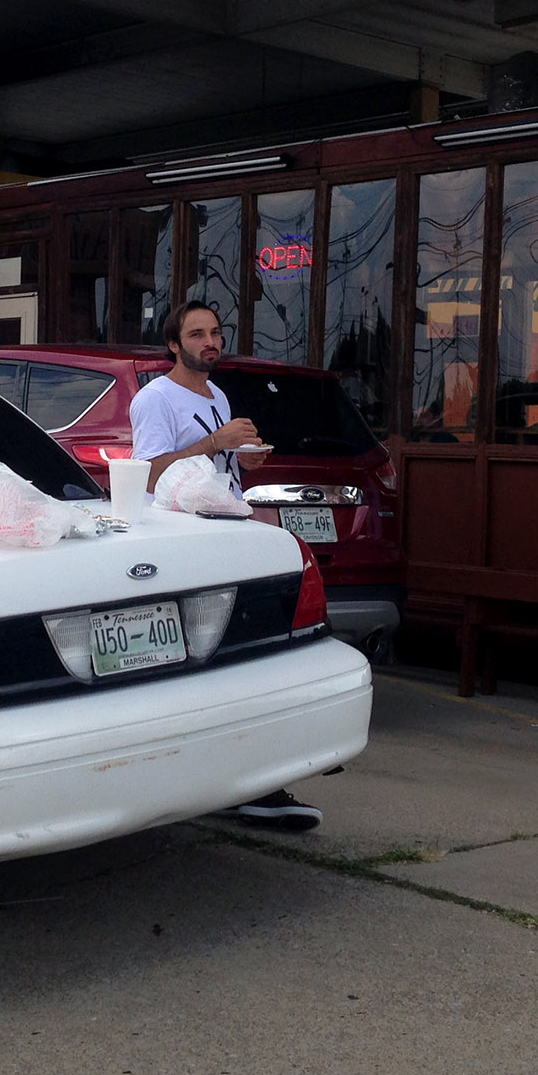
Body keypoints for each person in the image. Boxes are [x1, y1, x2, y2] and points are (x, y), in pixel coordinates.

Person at [129, 300, 322, 831]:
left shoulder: (217, 394)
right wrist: (216, 442)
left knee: (238, 663)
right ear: (174, 344)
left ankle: (245, 781)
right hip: (180, 545)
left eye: (215, 333)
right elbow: (146, 476)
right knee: (203, 666)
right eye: (196, 334)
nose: (209, 342)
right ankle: (224, 783)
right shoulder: (154, 398)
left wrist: (242, 455)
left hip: (225, 536)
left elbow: (213, 467)